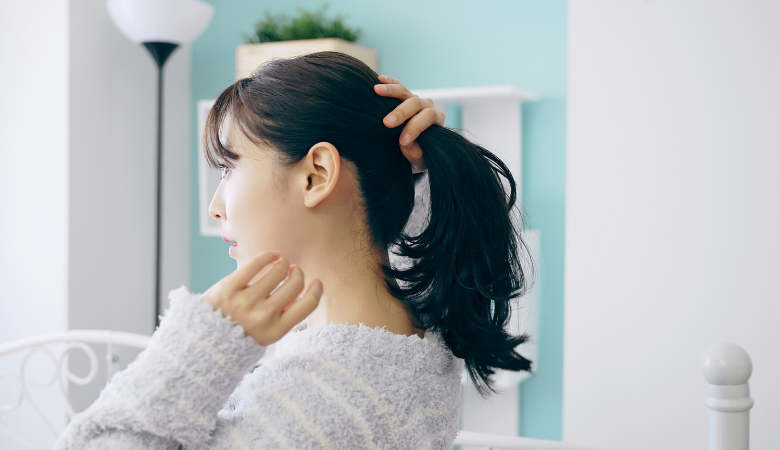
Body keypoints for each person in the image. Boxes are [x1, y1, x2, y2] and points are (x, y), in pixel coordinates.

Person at [54, 51, 535, 450]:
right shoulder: (413, 343)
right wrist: (415, 167)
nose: (216, 205)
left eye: (228, 166)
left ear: (315, 175)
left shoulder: (320, 408)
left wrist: (193, 347)